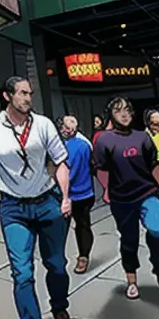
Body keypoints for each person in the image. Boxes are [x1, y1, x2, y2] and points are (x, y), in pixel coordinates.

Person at [0, 76, 73, 319]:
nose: (27, 98)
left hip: (47, 201)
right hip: (13, 209)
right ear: (8, 96)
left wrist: (66, 197)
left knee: (56, 264)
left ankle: (59, 306)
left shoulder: (43, 124)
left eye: (29, 93)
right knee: (21, 273)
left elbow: (60, 162)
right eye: (22, 93)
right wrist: (0, 194)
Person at [95, 96, 159, 300]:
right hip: (122, 199)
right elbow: (100, 169)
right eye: (118, 110)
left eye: (127, 110)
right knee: (129, 240)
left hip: (147, 193)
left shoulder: (143, 137)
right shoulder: (104, 139)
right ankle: (131, 280)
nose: (124, 114)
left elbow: (155, 165)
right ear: (111, 115)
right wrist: (106, 189)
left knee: (157, 231)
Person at [60, 116, 95, 274]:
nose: (62, 130)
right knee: (83, 226)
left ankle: (80, 258)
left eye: (64, 127)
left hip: (75, 194)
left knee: (69, 228)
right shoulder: (85, 144)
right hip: (87, 193)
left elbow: (67, 172)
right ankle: (84, 256)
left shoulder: (63, 147)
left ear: (69, 130)